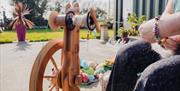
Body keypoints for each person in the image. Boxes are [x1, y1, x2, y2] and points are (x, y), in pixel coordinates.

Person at [106, 0, 180, 91]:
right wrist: (162, 38)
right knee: (126, 54)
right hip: (172, 45)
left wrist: (160, 28)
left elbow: (159, 25)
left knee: (153, 77)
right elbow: (165, 15)